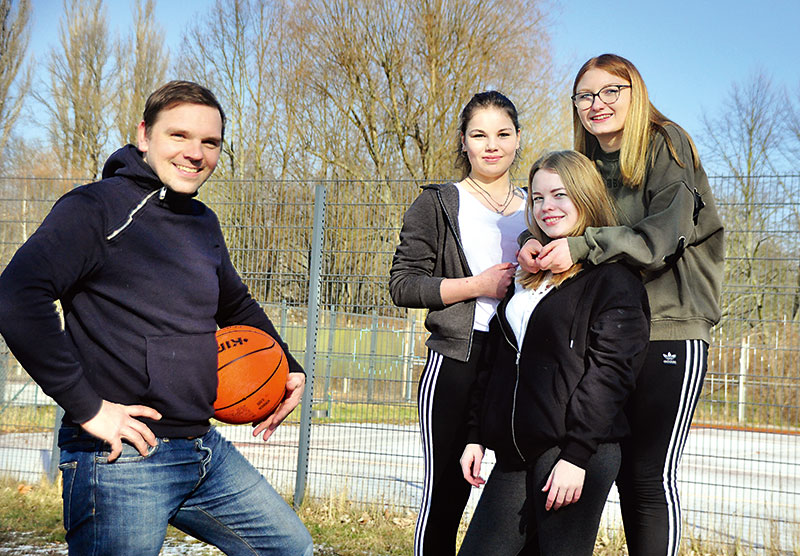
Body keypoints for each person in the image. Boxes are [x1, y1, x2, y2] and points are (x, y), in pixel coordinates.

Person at [0, 81, 313, 556]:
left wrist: (287, 364)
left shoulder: (203, 222)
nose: (195, 153)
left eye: (210, 143)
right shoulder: (95, 208)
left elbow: (237, 305)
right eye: (179, 136)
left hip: (202, 448)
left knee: (289, 548)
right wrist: (88, 407)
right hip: (122, 458)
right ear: (144, 136)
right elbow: (17, 296)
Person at [517, 54, 724, 556]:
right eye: (586, 95)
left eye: (612, 91)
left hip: (669, 327)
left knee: (646, 475)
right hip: (608, 332)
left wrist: (585, 248)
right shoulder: (587, 160)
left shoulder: (666, 144)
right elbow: (573, 214)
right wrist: (531, 240)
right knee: (607, 460)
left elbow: (662, 235)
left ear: (637, 93)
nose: (598, 103)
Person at [458, 150, 650, 556]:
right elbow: (495, 360)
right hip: (515, 450)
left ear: (585, 196)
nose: (547, 207)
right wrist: (475, 435)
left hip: (573, 452)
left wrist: (577, 456)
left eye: (560, 195)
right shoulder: (529, 273)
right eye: (538, 197)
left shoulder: (614, 279)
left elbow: (611, 374)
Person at [389, 90, 527, 556]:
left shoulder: (538, 207)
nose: (492, 145)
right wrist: (477, 285)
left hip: (519, 365)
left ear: (518, 139)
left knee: (520, 486)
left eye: (503, 133)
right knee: (448, 493)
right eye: (479, 134)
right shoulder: (439, 204)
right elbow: (403, 285)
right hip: (456, 360)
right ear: (463, 142)